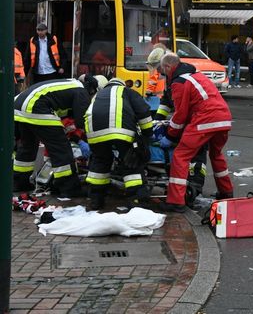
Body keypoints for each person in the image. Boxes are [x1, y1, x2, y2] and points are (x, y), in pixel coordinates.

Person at [157, 52, 235, 212]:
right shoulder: (196, 75)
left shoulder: (179, 82)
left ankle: (176, 201)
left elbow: (180, 115)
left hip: (205, 120)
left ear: (167, 67)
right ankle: (226, 192)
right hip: (224, 118)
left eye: (163, 71)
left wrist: (170, 135)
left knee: (180, 156)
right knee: (216, 154)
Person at [13, 76, 99, 195]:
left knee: (28, 146)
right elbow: (81, 121)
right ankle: (69, 188)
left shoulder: (70, 84)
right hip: (36, 106)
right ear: (92, 90)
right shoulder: (82, 92)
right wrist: (85, 140)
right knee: (61, 148)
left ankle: (19, 182)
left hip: (19, 105)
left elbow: (63, 113)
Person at [84, 78, 154, 210]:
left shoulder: (98, 95)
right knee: (130, 162)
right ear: (122, 85)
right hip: (121, 131)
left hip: (95, 133)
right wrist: (147, 135)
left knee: (100, 162)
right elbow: (143, 113)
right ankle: (137, 201)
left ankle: (96, 200)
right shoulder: (127, 91)